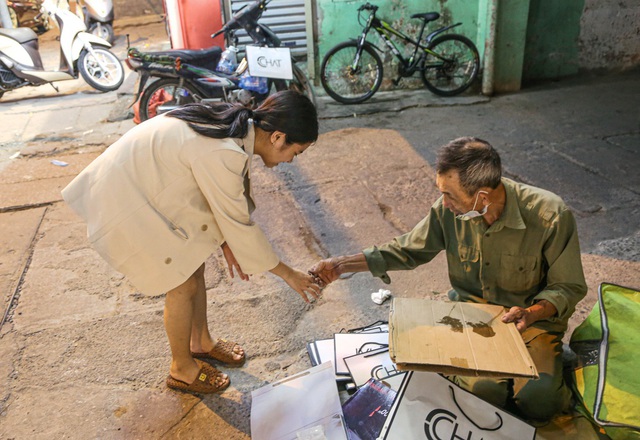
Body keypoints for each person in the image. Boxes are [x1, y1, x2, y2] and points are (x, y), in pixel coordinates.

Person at [62, 91, 323, 394]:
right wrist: (289, 274)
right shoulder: (224, 150)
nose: (292, 160)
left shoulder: (237, 127)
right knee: (182, 283)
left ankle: (201, 342)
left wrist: (227, 241)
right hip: (126, 194)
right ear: (278, 137)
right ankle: (181, 369)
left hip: (147, 183)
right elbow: (237, 221)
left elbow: (225, 202)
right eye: (297, 152)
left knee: (194, 262)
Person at [310, 137, 587, 422]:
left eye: (450, 195)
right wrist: (342, 265)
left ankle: (553, 374)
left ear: (482, 196)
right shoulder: (447, 211)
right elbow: (406, 249)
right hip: (471, 319)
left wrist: (531, 313)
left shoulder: (549, 214)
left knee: (540, 401)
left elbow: (568, 286)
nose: (445, 204)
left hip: (530, 324)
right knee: (484, 394)